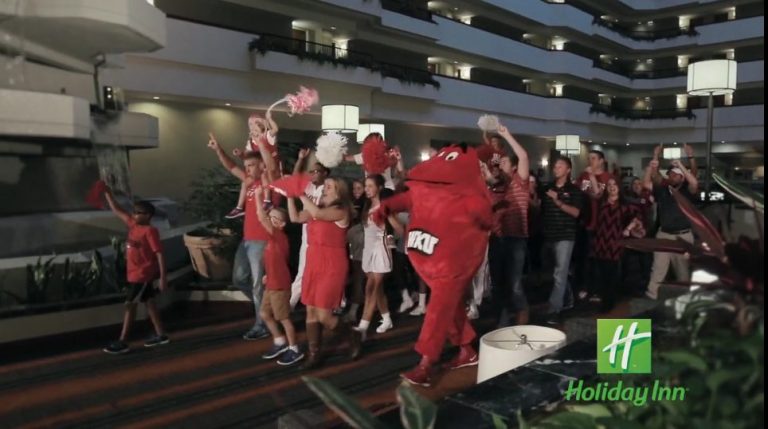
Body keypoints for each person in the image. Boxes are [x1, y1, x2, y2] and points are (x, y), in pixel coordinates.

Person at [373, 144, 492, 387]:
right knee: (450, 307)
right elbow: (407, 198)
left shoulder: (468, 193)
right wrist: (386, 207)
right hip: (431, 258)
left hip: (453, 262)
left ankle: (426, 365)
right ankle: (467, 351)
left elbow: (484, 214)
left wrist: (487, 213)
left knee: (438, 310)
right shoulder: (425, 188)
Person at [287, 177, 362, 369]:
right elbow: (295, 218)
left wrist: (300, 193)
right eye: (326, 185)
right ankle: (314, 354)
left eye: (330, 186)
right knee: (310, 311)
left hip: (332, 265)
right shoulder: (316, 207)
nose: (325, 188)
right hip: (314, 262)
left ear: (339, 192)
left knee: (324, 316)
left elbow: (318, 213)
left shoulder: (340, 210)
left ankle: (352, 335)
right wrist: (289, 195)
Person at [207, 133, 271, 340]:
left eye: (252, 165)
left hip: (261, 240)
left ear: (261, 166)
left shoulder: (268, 183)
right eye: (248, 165)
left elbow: (270, 164)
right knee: (239, 279)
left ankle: (262, 325)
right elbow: (231, 167)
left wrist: (262, 141)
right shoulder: (250, 183)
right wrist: (218, 149)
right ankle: (266, 308)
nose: (248, 168)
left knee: (256, 284)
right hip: (247, 240)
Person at [102, 189, 168, 354]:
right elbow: (117, 210)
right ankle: (161, 334)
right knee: (150, 303)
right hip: (133, 274)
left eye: (140, 213)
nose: (136, 215)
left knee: (129, 305)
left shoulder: (150, 231)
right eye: (135, 212)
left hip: (142, 275)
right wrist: (107, 194)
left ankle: (123, 340)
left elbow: (159, 253)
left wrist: (162, 278)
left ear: (148, 215)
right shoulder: (132, 224)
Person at [253, 187, 304, 366]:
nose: (270, 220)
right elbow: (275, 260)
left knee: (284, 318)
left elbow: (260, 216)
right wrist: (267, 275)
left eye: (274, 218)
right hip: (272, 283)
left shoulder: (278, 236)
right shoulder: (273, 239)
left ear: (281, 224)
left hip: (280, 285)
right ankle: (280, 341)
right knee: (265, 313)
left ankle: (294, 349)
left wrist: (259, 197)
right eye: (271, 217)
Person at [486, 125, 530, 327]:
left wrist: (506, 135)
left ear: (512, 167)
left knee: (514, 285)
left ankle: (522, 326)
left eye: (504, 161)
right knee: (498, 286)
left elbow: (523, 156)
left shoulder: (519, 181)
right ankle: (501, 326)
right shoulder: (494, 186)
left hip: (515, 238)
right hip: (497, 238)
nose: (499, 163)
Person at [643, 155, 699, 299]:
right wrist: (651, 167)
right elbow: (646, 184)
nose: (672, 177)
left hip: (683, 236)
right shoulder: (662, 190)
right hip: (664, 235)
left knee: (683, 272)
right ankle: (652, 296)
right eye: (670, 174)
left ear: (682, 178)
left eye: (675, 175)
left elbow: (694, 182)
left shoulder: (687, 191)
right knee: (658, 269)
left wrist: (681, 166)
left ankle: (685, 299)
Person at [590, 178, 644, 312]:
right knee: (601, 274)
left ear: (619, 187)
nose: (611, 187)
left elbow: (638, 217)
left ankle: (608, 303)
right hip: (600, 242)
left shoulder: (625, 205)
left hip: (615, 243)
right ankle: (605, 300)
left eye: (614, 184)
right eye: (609, 185)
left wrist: (628, 229)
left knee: (612, 273)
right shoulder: (602, 203)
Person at [541, 157, 584, 325]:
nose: (556, 168)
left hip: (566, 236)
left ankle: (554, 310)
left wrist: (558, 202)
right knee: (557, 273)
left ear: (568, 170)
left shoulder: (574, 190)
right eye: (555, 165)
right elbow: (542, 210)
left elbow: (576, 213)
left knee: (559, 274)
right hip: (549, 235)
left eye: (560, 166)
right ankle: (568, 298)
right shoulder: (547, 188)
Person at [355, 175, 397, 339]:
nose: (366, 189)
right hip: (368, 250)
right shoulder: (366, 206)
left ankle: (362, 327)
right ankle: (387, 319)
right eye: (366, 186)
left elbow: (398, 229)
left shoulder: (384, 206)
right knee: (376, 289)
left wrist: (391, 229)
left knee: (371, 287)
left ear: (379, 187)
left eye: (370, 186)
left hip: (381, 249)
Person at [288, 149, 329, 309]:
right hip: (307, 234)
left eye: (317, 171)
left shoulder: (329, 188)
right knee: (302, 271)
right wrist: (300, 159)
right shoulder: (309, 187)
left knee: (325, 272)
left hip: (323, 236)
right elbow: (294, 179)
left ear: (325, 173)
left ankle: (336, 302)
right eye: (311, 171)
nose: (313, 174)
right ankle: (290, 304)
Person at [226, 112, 280, 218]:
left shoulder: (268, 136)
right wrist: (240, 154)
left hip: (270, 168)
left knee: (265, 175)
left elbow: (275, 129)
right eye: (250, 125)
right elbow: (247, 157)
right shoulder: (250, 141)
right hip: (259, 169)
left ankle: (268, 201)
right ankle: (239, 207)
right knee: (245, 183)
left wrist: (269, 119)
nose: (252, 127)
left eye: (255, 124)